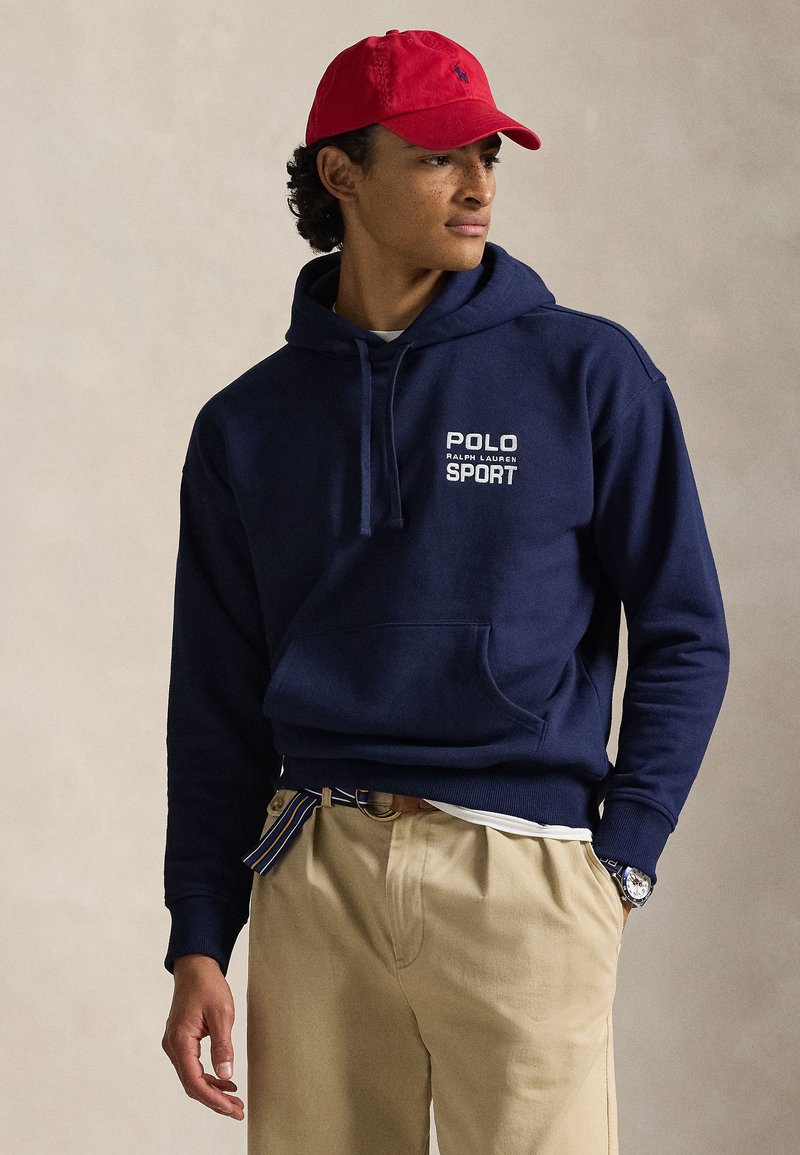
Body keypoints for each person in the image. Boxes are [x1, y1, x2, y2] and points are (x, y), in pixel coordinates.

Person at [161, 28, 730, 1155]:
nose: (477, 186)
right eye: (435, 157)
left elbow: (684, 630)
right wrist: (199, 935)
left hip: (521, 867)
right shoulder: (246, 424)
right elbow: (215, 700)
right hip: (315, 874)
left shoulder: (588, 372)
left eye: (487, 155)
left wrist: (622, 856)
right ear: (340, 173)